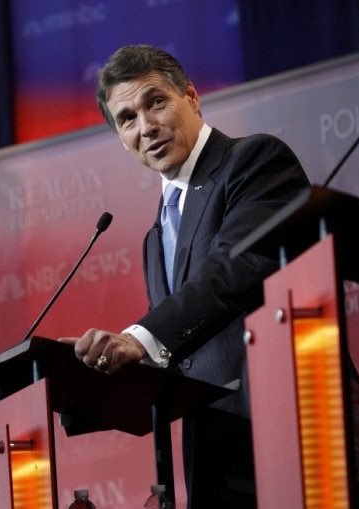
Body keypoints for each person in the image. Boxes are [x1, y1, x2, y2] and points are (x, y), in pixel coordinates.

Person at [58, 45, 311, 508]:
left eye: (156, 102)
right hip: (213, 461)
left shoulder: (253, 163)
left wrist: (140, 337)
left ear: (191, 97)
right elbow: (177, 353)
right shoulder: (155, 238)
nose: (146, 127)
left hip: (290, 438)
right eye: (127, 119)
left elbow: (233, 272)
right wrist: (85, 382)